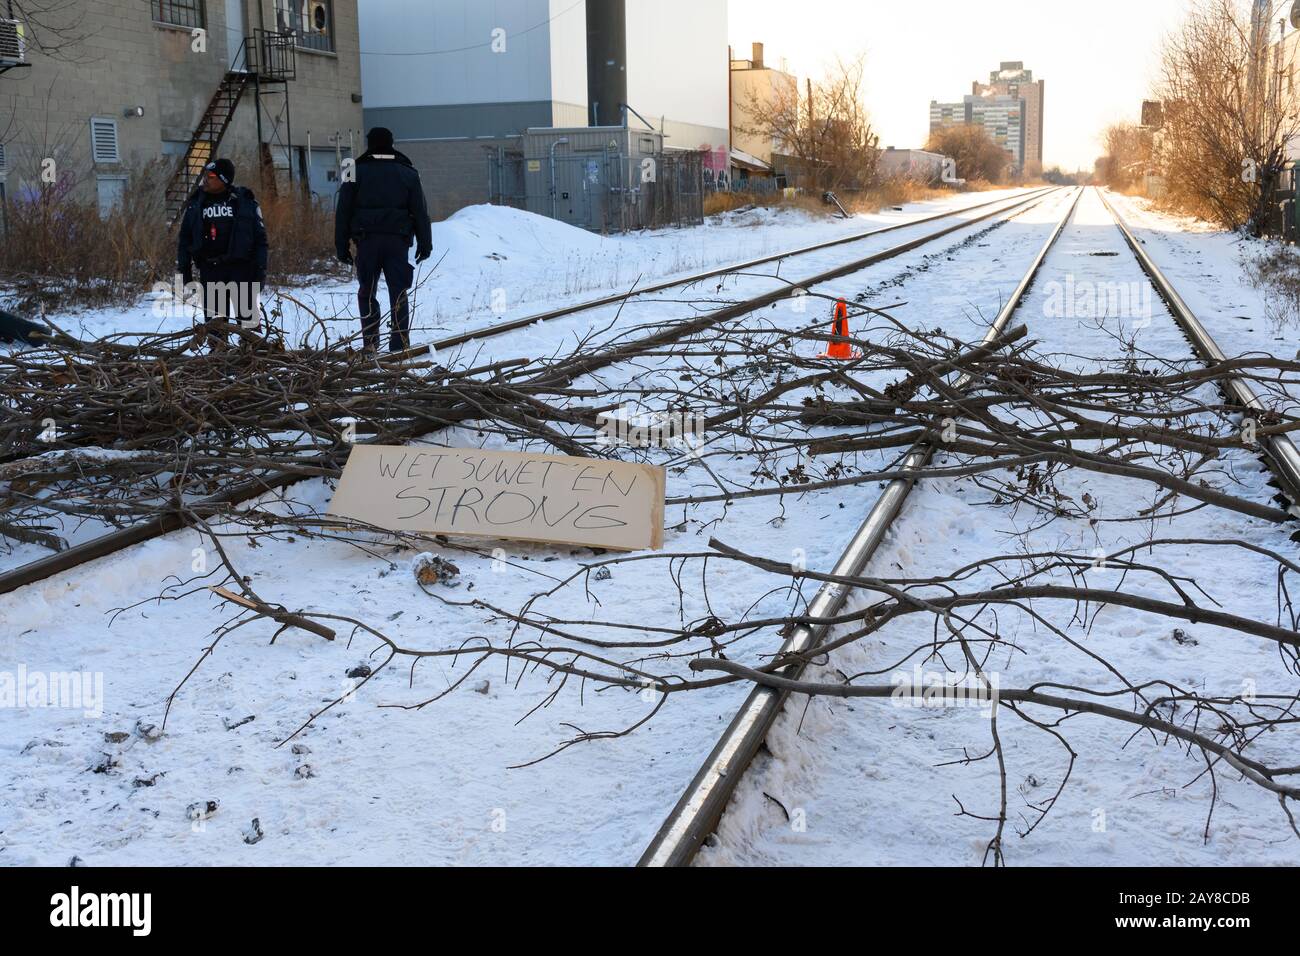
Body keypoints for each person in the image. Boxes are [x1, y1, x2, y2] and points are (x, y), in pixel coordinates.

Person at [335, 127, 433, 353]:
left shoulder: (353, 170)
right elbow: (420, 211)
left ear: (370, 144)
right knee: (398, 291)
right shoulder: (408, 172)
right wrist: (425, 243)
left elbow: (343, 210)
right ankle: (399, 343)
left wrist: (341, 245)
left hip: (366, 241)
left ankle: (370, 343)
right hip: (397, 242)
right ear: (391, 143)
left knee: (366, 292)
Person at [176, 158, 269, 349]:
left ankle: (252, 360)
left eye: (210, 176)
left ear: (224, 180)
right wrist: (184, 270)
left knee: (249, 323)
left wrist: (260, 270)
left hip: (242, 270)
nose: (205, 180)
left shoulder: (245, 202)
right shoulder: (196, 204)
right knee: (216, 325)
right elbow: (184, 239)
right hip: (212, 270)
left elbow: (261, 240)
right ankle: (218, 363)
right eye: (205, 175)